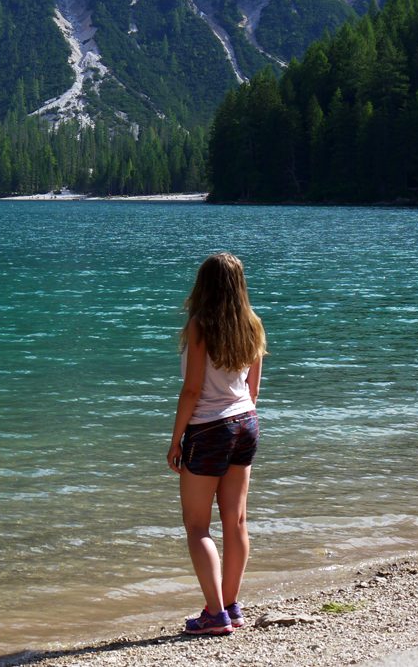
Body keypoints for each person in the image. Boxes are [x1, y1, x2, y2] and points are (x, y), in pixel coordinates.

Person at [166, 252, 266, 635]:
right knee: (236, 520)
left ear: (203, 286)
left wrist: (176, 441)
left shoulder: (200, 326)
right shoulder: (254, 325)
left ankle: (213, 614)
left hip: (209, 428)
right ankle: (230, 606)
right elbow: (252, 392)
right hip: (246, 424)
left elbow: (192, 390)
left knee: (197, 527)